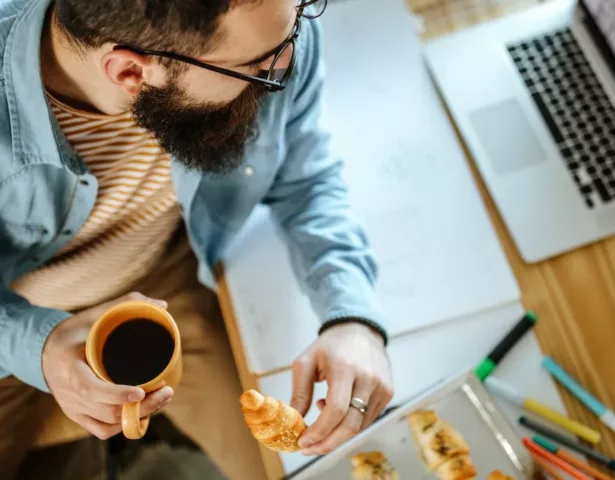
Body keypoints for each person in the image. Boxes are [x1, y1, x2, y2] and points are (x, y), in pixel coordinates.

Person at [0, 0, 394, 478]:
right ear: (130, 72)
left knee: (299, 468)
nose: (288, 63)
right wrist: (33, 345)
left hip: (170, 279)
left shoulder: (273, 29)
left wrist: (351, 316)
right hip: (16, 318)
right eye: (259, 68)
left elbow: (305, 180)